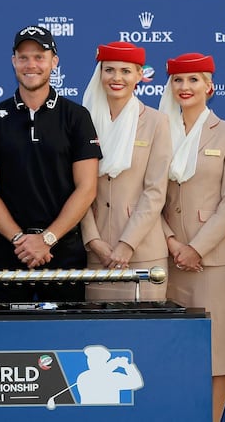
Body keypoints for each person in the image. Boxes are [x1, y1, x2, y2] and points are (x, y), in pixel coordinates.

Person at [0, 25, 101, 303]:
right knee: (8, 343)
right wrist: (20, 239)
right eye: (23, 57)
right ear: (13, 61)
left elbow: (87, 187)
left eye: (39, 57)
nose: (31, 65)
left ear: (54, 61)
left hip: (63, 251)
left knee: (66, 342)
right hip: (9, 251)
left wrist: (47, 239)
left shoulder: (76, 116)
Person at [158, 52, 225, 422]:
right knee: (171, 349)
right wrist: (172, 242)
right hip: (164, 257)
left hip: (211, 261)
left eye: (194, 80)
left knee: (215, 352)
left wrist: (195, 247)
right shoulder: (157, 129)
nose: (185, 87)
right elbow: (147, 195)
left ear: (210, 87)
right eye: (178, 80)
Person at [80, 41, 171, 301]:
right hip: (98, 252)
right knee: (100, 338)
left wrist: (126, 244)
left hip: (143, 251)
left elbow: (155, 191)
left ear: (140, 75)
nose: (116, 78)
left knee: (145, 335)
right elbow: (78, 187)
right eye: (109, 70)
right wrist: (93, 240)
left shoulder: (156, 122)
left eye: (125, 71)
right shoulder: (83, 119)